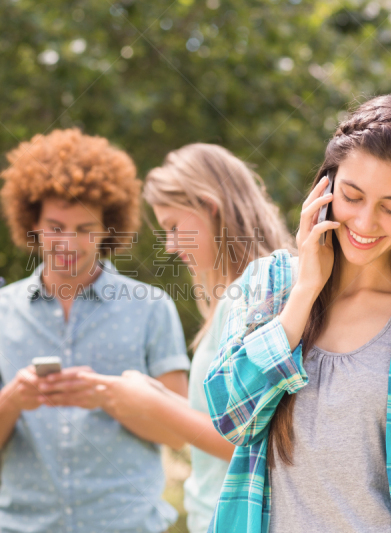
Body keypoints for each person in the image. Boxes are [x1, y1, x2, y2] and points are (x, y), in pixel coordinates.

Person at [205, 95, 391, 533]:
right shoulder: (268, 285)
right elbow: (228, 413)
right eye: (352, 195)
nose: (365, 222)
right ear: (326, 185)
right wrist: (304, 293)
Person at [0, 128, 191, 533]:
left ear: (107, 229)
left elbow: (177, 433)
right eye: (56, 227)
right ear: (32, 224)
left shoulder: (151, 309)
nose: (68, 242)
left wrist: (109, 397)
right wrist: (12, 399)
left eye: (84, 229)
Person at [78, 143, 294, 533]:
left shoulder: (257, 298)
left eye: (175, 227)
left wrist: (152, 405)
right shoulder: (234, 298)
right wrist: (149, 394)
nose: (171, 245)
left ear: (211, 207)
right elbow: (225, 418)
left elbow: (247, 443)